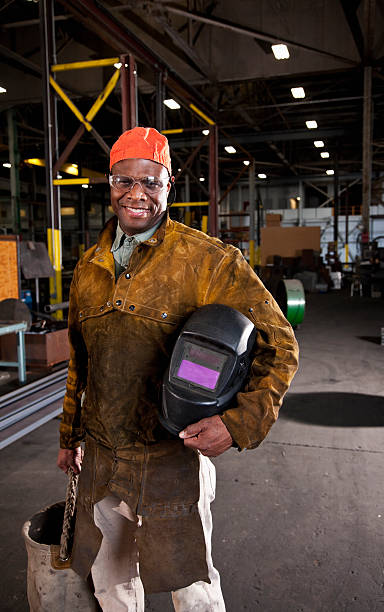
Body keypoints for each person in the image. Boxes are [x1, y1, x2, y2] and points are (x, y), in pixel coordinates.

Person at [57, 126, 299, 611]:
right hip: (102, 457)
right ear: (110, 184)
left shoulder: (208, 262)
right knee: (111, 582)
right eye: (124, 181)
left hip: (172, 458)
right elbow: (80, 361)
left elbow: (281, 345)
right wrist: (70, 437)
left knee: (192, 585)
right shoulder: (89, 268)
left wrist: (237, 424)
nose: (136, 194)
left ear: (169, 186)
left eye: (151, 182)